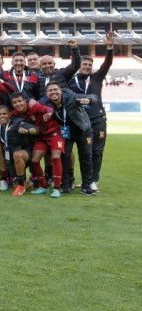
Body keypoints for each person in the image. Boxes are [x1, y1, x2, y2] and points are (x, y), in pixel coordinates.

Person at [68, 31, 113, 191]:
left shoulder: (97, 77)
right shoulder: (71, 81)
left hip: (97, 120)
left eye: (89, 65)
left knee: (97, 151)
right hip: (80, 122)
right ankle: (85, 180)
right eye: (84, 64)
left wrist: (109, 47)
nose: (87, 67)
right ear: (79, 66)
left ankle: (94, 180)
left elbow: (107, 64)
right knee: (84, 152)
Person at [41, 82, 98, 195]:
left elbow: (94, 97)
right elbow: (35, 104)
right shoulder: (46, 103)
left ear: (60, 91)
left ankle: (86, 186)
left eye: (55, 89)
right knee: (64, 156)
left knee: (86, 156)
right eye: (50, 90)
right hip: (66, 133)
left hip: (83, 131)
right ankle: (65, 185)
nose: (53, 92)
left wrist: (88, 99)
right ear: (47, 94)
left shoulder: (72, 97)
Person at [0, 104, 38, 196]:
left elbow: (36, 129)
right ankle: (29, 183)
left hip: (26, 153)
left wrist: (27, 131)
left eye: (4, 114)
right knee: (14, 184)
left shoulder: (18, 123)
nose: (2, 116)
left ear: (9, 115)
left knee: (17, 155)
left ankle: (21, 186)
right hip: (11, 159)